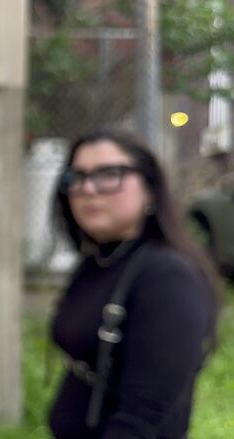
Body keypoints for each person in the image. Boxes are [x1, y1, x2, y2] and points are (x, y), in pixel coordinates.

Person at [47, 129, 221, 438]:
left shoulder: (167, 277)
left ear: (150, 189)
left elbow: (145, 415)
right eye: (78, 176)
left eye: (109, 174)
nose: (88, 188)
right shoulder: (99, 262)